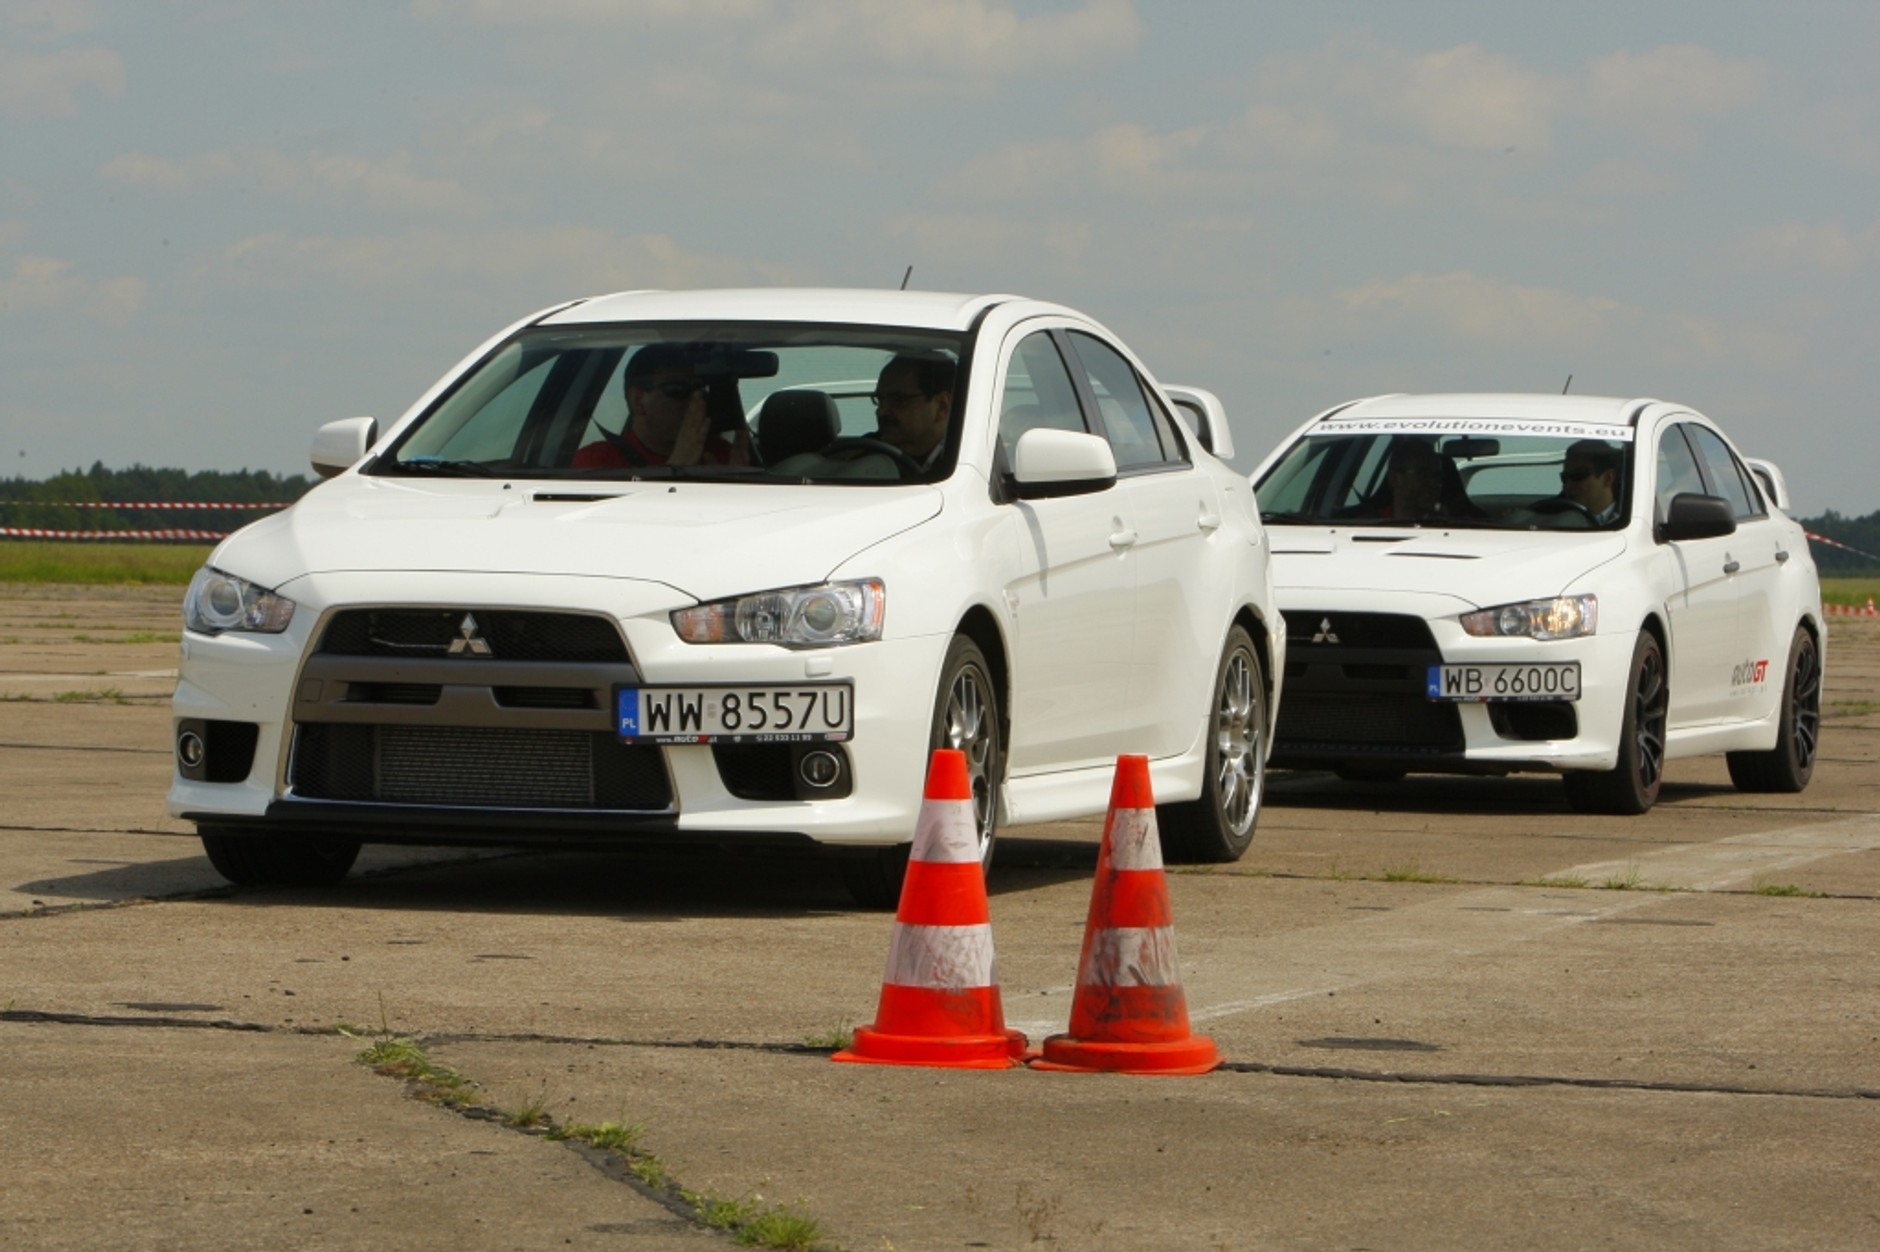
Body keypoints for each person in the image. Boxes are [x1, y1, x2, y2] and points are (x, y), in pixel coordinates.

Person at [573, 344, 751, 469]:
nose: (694, 399)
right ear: (638, 401)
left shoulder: (723, 455)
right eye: (677, 389)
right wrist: (676, 468)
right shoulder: (598, 460)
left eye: (699, 389)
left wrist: (737, 483)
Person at [867, 352, 954, 469]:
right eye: (879, 400)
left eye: (899, 400)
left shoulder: (964, 464)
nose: (881, 412)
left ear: (942, 406)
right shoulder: (865, 451)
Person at [1559, 439, 1623, 524]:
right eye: (1564, 477)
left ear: (1608, 478)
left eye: (1578, 475)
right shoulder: (1551, 518)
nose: (1568, 485)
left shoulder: (1633, 520)